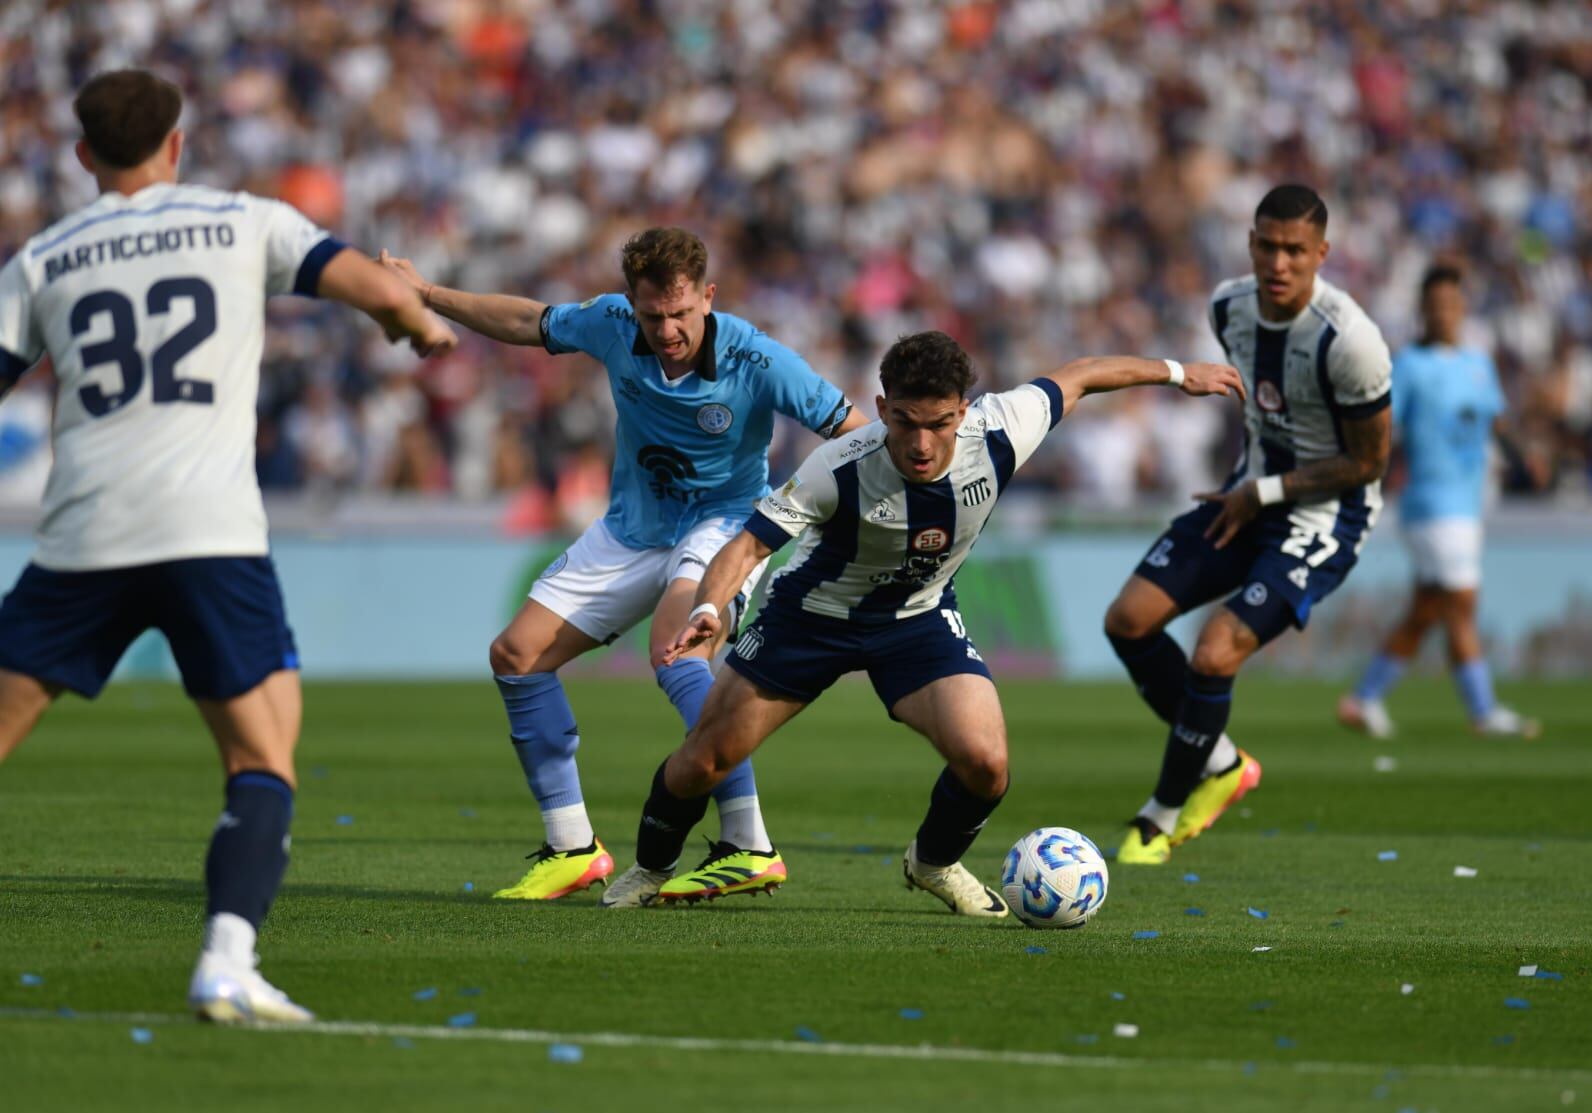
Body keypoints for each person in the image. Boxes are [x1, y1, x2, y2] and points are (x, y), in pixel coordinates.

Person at [0, 70, 456, 1022]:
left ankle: (232, 963)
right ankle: (226, 960)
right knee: (261, 757)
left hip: (83, 532)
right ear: (178, 143)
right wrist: (411, 318)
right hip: (207, 533)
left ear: (84, 156)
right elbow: (369, 284)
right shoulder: (243, 220)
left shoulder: (45, 258)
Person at [599, 331, 1243, 911]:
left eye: (938, 423)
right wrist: (711, 606)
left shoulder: (1000, 429)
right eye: (905, 422)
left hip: (917, 619)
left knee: (986, 764)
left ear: (962, 410)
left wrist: (1177, 371)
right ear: (882, 409)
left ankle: (933, 863)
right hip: (810, 620)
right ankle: (651, 868)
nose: (921, 442)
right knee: (702, 763)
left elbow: (1082, 374)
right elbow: (746, 547)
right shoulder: (838, 466)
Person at [379, 230, 867, 902]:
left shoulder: (759, 358)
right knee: (516, 654)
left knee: (676, 650)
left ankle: (749, 840)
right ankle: (572, 846)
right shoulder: (611, 323)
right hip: (632, 526)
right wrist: (428, 294)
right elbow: (528, 320)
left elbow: (855, 433)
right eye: (652, 316)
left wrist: (856, 520)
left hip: (721, 525)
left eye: (680, 314)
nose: (666, 331)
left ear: (708, 297)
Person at [1103, 184, 1393, 867]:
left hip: (1322, 519)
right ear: (1251, 244)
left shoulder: (1351, 342)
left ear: (1322, 253)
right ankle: (1224, 761)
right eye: (1268, 245)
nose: (1280, 262)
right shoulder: (1227, 306)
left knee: (1213, 652)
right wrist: (1251, 487)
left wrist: (1264, 489)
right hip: (1245, 495)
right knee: (1129, 620)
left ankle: (1161, 814)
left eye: (1296, 250)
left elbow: (1370, 461)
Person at [1339, 265, 1539, 739]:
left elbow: (1496, 423)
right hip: (1431, 503)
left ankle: (1363, 698)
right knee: (1462, 603)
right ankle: (1484, 711)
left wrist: (1525, 462)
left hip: (1469, 503)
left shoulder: (1478, 364)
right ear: (1423, 311)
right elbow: (1385, 426)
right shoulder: (1409, 365)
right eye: (1435, 305)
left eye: (1451, 304)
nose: (1444, 313)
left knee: (1428, 608)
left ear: (1462, 308)